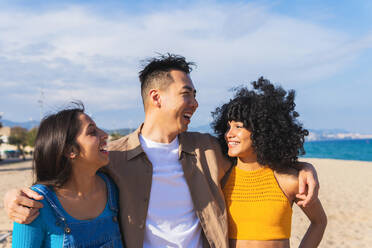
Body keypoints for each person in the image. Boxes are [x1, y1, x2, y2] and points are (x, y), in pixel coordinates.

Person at [4, 54, 319, 248]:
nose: (195, 103)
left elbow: (256, 155)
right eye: (186, 94)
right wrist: (15, 200)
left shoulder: (209, 149)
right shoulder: (112, 156)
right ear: (156, 97)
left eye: (195, 94)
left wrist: (302, 166)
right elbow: (64, 180)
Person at [212, 77, 327, 248]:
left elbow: (319, 222)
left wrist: (304, 166)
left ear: (261, 131)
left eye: (238, 126)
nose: (229, 133)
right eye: (228, 127)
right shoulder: (221, 178)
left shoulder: (287, 181)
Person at [11, 103, 124, 247]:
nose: (105, 135)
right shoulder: (34, 205)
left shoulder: (113, 187)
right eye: (92, 132)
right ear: (70, 150)